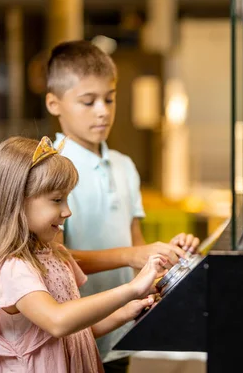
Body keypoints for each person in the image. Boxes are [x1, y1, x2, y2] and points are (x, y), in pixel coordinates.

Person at [45, 40, 199, 371]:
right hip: (76, 336)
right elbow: (52, 264)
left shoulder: (124, 166)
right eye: (88, 101)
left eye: (109, 99)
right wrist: (129, 255)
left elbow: (136, 245)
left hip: (120, 330)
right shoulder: (49, 169)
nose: (102, 110)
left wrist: (160, 257)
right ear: (54, 104)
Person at [0, 136, 168, 372]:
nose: (67, 211)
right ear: (17, 201)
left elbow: (77, 330)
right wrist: (131, 289)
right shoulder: (12, 268)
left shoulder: (56, 255)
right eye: (57, 200)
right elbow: (58, 321)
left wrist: (126, 311)